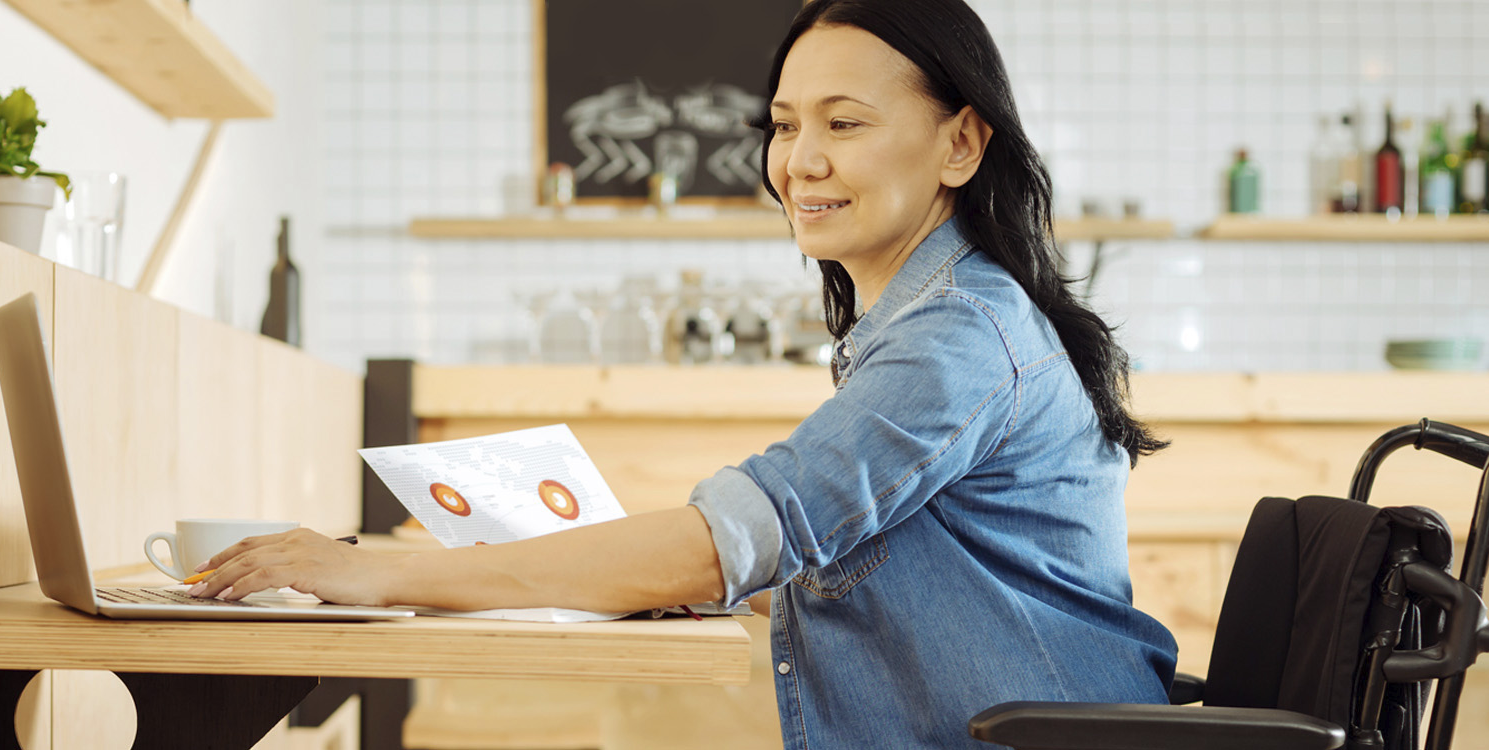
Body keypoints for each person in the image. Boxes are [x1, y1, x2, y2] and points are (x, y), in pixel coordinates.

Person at [189, 0, 1179, 746]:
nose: (798, 160)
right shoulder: (934, 319)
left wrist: (373, 572)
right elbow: (835, 556)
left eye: (843, 123)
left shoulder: (954, 338)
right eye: (784, 126)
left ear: (959, 143)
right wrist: (620, 566)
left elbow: (741, 538)